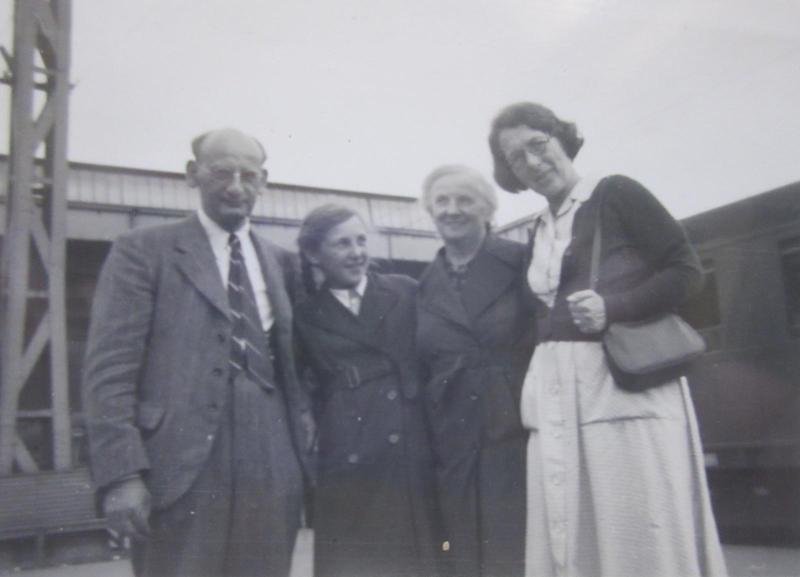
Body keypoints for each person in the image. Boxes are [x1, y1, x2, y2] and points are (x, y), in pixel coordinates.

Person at [488, 102, 727, 577]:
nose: (533, 163)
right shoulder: (538, 227)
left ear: (561, 139)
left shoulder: (615, 192)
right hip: (560, 395)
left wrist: (613, 307)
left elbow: (687, 271)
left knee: (635, 523)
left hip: (621, 386)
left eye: (539, 145)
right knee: (577, 529)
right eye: (517, 158)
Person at [82, 128, 314, 577]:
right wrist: (121, 475)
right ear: (193, 175)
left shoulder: (284, 262)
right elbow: (109, 370)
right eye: (221, 172)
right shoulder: (143, 251)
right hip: (178, 464)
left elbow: (299, 368)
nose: (235, 186)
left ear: (263, 182)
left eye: (248, 175)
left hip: (271, 461)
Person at [294, 204, 439, 577]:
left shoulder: (405, 291)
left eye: (361, 240)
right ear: (313, 254)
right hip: (349, 453)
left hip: (411, 442)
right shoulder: (304, 315)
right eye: (341, 244)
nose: (357, 252)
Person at [416, 165, 536, 577]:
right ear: (430, 210)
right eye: (442, 201)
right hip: (452, 434)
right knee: (462, 550)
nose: (452, 210)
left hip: (515, 429)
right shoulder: (425, 285)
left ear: (486, 208)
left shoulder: (521, 261)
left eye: (464, 200)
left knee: (517, 548)